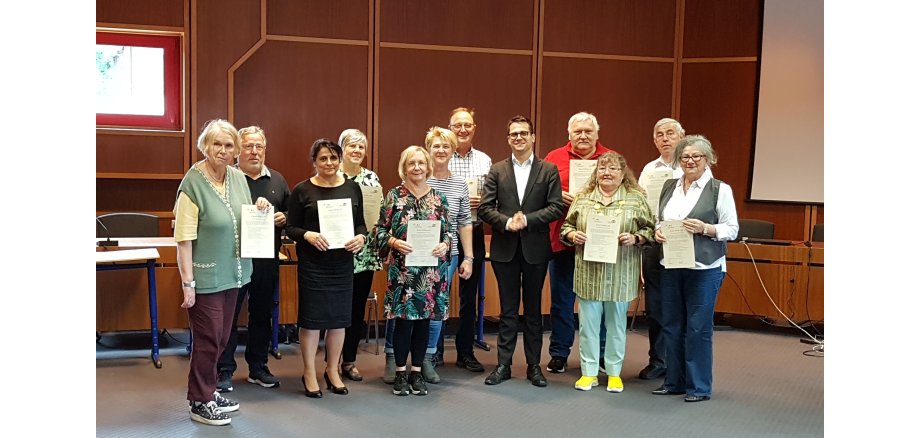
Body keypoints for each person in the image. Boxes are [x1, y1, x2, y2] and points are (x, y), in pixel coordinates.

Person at [174, 119, 271, 426]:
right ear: (206, 145)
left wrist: (261, 205)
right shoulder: (192, 184)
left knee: (221, 338)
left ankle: (209, 390)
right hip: (205, 277)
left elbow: (241, 213)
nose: (224, 150)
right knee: (207, 340)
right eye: (217, 144)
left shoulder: (237, 177)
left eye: (229, 145)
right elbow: (184, 240)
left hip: (235, 273)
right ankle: (199, 401)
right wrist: (188, 283)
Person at [651, 135, 738, 402]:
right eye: (685, 157)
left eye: (696, 157)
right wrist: (657, 232)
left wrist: (706, 228)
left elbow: (731, 229)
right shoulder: (669, 186)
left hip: (705, 268)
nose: (690, 161)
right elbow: (659, 220)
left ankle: (699, 386)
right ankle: (674, 381)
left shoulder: (719, 190)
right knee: (672, 325)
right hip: (672, 265)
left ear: (708, 159)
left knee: (698, 328)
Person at [479, 115, 564, 387]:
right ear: (508, 139)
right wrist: (506, 222)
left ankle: (533, 366)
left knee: (533, 311)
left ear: (533, 137)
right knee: (507, 310)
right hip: (505, 249)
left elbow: (555, 207)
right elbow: (484, 207)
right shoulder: (497, 169)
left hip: (536, 250)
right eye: (514, 134)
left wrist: (527, 220)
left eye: (524, 133)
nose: (519, 138)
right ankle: (503, 365)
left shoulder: (548, 170)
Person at [560, 152, 655, 393]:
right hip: (589, 273)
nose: (607, 172)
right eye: (602, 168)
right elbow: (566, 227)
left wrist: (634, 237)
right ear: (596, 173)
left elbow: (651, 231)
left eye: (613, 169)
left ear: (623, 174)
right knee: (588, 326)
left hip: (620, 273)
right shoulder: (582, 199)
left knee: (616, 326)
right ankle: (588, 373)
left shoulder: (636, 199)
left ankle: (613, 373)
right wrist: (573, 235)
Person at [285, 139, 367, 398]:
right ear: (314, 162)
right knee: (311, 320)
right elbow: (290, 227)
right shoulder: (302, 190)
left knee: (339, 321)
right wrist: (307, 235)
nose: (329, 163)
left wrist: (361, 237)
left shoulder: (353, 188)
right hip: (313, 265)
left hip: (342, 264)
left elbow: (361, 224)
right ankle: (309, 371)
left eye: (333, 158)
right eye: (323, 159)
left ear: (340, 159)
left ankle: (332, 370)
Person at [215, 126, 290, 393]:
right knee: (228, 317)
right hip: (232, 260)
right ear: (237, 150)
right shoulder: (227, 178)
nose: (254, 151)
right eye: (248, 146)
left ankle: (258, 367)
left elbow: (291, 217)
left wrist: (284, 218)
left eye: (259, 146)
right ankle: (223, 370)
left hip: (266, 262)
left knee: (262, 316)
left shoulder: (278, 180)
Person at [376, 146, 452, 396]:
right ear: (404, 167)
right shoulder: (394, 196)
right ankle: (400, 373)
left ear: (428, 166)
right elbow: (379, 231)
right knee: (404, 324)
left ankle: (417, 372)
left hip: (431, 274)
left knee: (423, 325)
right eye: (412, 163)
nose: (417, 167)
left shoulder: (439, 198)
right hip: (403, 273)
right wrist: (395, 243)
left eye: (421, 163)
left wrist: (444, 245)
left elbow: (449, 233)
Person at [543, 112, 614, 374]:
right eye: (577, 131)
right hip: (562, 241)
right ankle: (559, 352)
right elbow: (539, 194)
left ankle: (603, 354)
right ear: (569, 134)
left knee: (600, 300)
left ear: (597, 133)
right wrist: (555, 195)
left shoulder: (611, 159)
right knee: (561, 301)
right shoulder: (553, 158)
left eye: (588, 131)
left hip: (599, 242)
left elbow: (624, 192)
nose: (583, 136)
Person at [422, 126, 475, 382]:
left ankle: (429, 356)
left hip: (449, 256)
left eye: (446, 146)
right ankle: (410, 356)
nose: (441, 151)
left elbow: (465, 221)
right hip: (419, 256)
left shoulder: (459, 184)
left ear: (453, 150)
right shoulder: (418, 178)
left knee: (437, 305)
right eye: (436, 146)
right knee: (416, 305)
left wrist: (468, 257)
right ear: (428, 149)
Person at [636, 118, 685, 380]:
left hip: (683, 243)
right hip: (655, 243)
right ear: (654, 140)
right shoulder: (648, 170)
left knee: (681, 303)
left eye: (670, 133)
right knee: (655, 305)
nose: (665, 138)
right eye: (659, 135)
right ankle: (658, 359)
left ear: (681, 136)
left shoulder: (692, 165)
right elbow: (641, 205)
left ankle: (680, 361)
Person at [447, 107, 493, 373]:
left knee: (469, 296)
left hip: (472, 230)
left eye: (467, 125)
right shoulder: (437, 157)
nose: (462, 130)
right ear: (449, 127)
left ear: (474, 128)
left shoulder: (485, 160)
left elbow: (493, 199)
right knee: (437, 292)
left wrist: (482, 201)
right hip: (442, 233)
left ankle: (465, 352)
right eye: (457, 125)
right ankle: (434, 351)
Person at [337, 128, 383, 383]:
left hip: (365, 254)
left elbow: (379, 215)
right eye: (351, 146)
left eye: (361, 147)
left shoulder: (371, 179)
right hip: (336, 253)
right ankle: (330, 361)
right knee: (335, 309)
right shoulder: (332, 175)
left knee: (356, 309)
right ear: (341, 148)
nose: (356, 151)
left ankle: (349, 361)